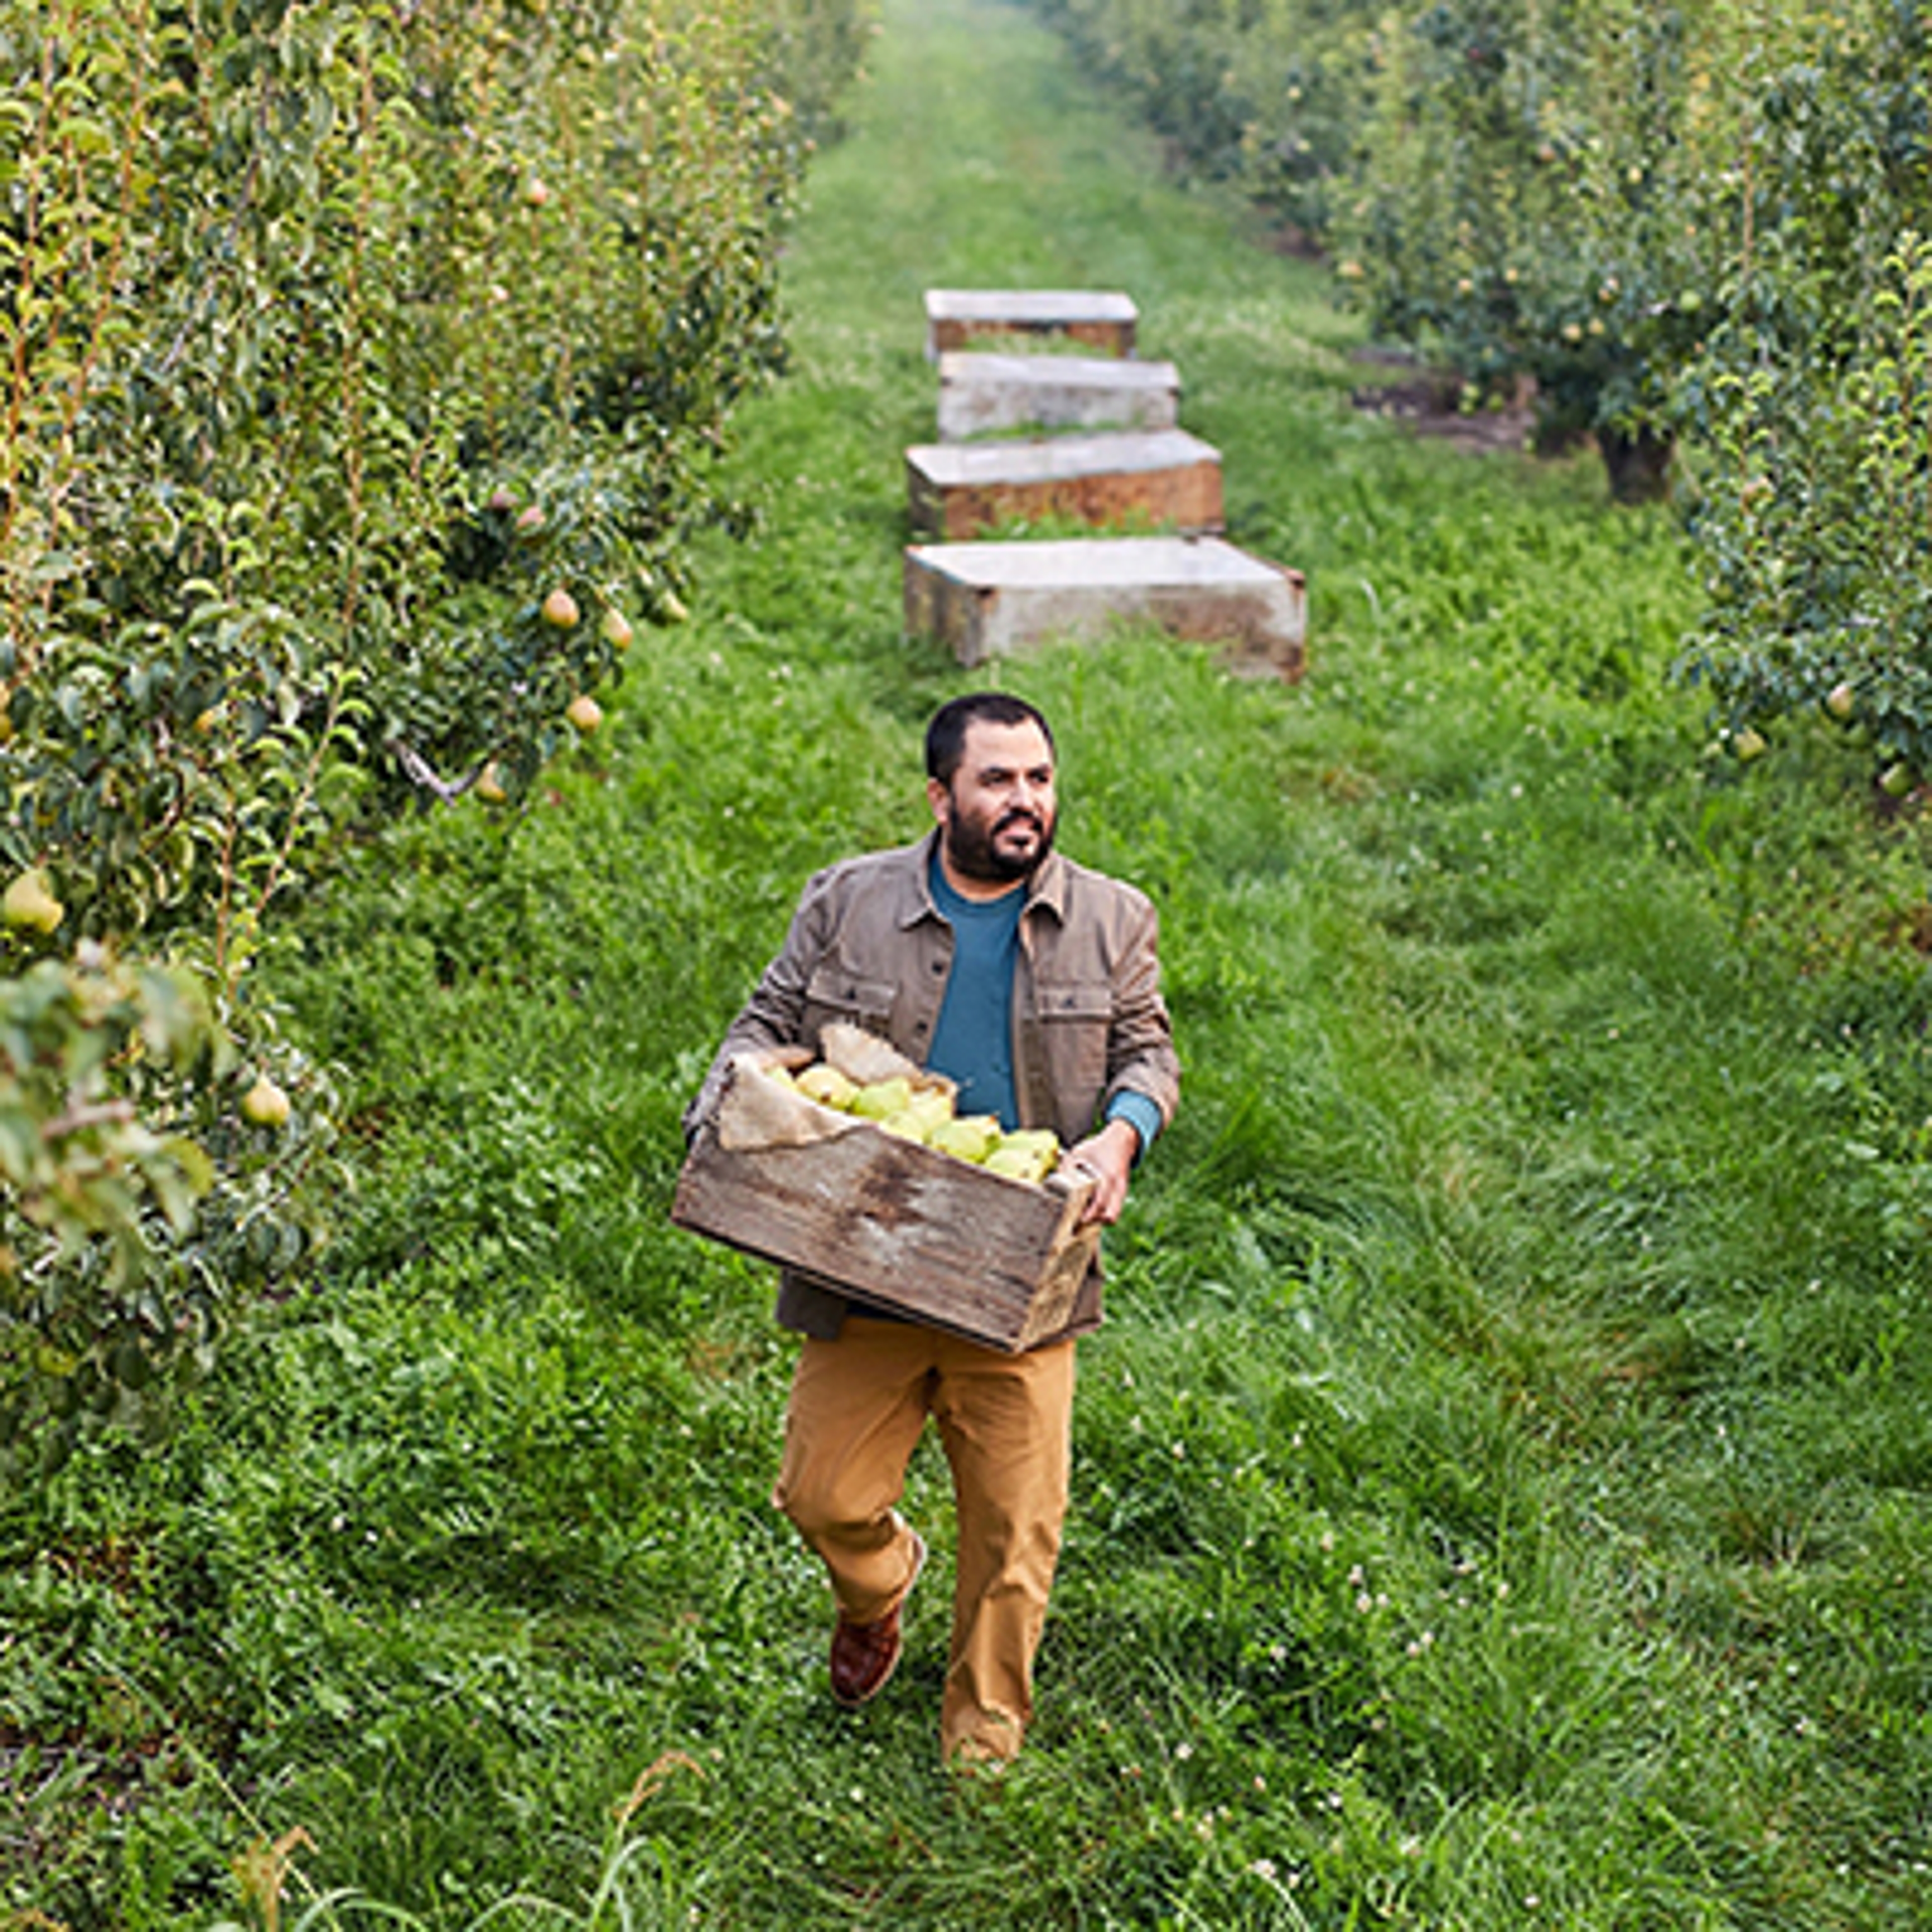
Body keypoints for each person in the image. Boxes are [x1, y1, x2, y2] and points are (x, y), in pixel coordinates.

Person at [685, 691, 1179, 1766]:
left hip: (1020, 1279)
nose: (1024, 802)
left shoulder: (1112, 917)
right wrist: (744, 1087)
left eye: (1039, 779)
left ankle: (983, 1750)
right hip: (867, 1256)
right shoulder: (849, 901)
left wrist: (1120, 1139)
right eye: (997, 780)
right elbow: (766, 1025)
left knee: (1013, 1540)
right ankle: (879, 1583)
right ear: (940, 794)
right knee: (821, 1496)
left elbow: (1148, 1054)